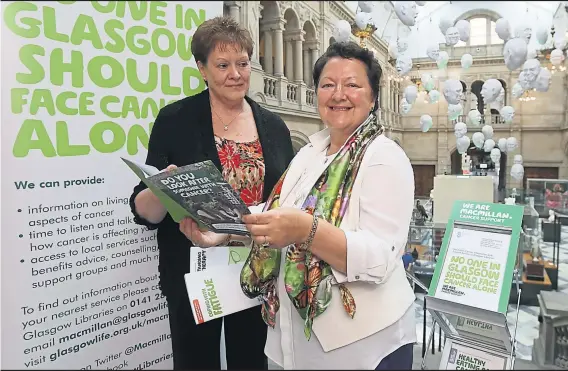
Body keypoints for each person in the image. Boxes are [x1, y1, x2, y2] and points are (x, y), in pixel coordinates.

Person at [182, 42, 417, 369]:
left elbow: (379, 259)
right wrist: (223, 231)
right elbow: (275, 212)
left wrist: (307, 231)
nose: (338, 94)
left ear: (373, 97)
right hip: (298, 346)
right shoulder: (310, 153)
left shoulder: (384, 158)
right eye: (327, 84)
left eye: (352, 85)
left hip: (363, 348)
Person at [128, 16, 294, 370]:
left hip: (255, 270)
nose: (235, 73)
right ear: (201, 68)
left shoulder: (276, 127)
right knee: (194, 363)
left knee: (251, 362)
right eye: (222, 65)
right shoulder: (175, 119)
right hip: (194, 274)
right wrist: (162, 189)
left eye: (243, 63)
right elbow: (144, 210)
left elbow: (287, 199)